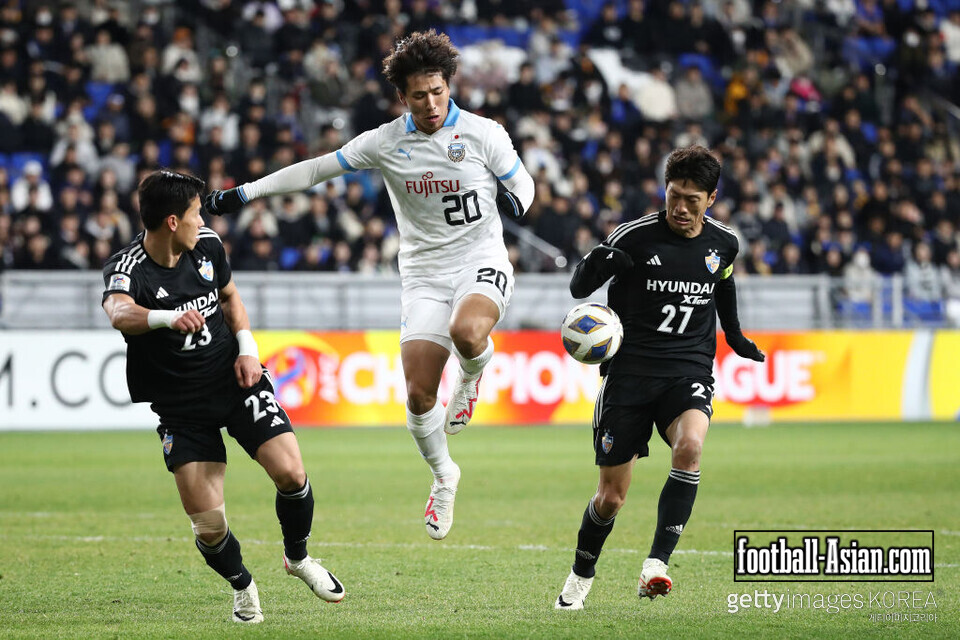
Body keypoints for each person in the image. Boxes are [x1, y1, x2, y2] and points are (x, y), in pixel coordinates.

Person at [203, 30, 534, 541]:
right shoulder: (385, 141)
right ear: (402, 96)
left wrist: (518, 201)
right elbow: (315, 170)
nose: (430, 103)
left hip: (480, 259)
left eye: (438, 91)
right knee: (420, 395)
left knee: (468, 332)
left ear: (450, 86)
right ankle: (445, 475)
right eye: (418, 95)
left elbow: (524, 182)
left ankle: (473, 373)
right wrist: (245, 193)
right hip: (423, 274)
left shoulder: (483, 133)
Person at [101, 170, 345, 624]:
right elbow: (118, 311)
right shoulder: (129, 266)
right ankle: (242, 585)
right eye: (196, 212)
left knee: (292, 472)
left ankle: (298, 558)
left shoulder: (208, 245)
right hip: (181, 407)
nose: (205, 220)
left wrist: (249, 351)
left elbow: (231, 297)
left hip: (233, 380)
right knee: (210, 528)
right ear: (172, 221)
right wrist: (164, 318)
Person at [554, 146, 765, 610]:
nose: (681, 208)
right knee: (611, 499)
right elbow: (578, 286)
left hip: (687, 369)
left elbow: (723, 283)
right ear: (664, 190)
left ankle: (656, 564)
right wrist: (601, 262)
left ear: (711, 198)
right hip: (629, 377)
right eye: (674, 196)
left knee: (690, 448)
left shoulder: (724, 243)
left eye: (692, 199)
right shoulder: (635, 236)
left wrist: (734, 335)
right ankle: (580, 576)